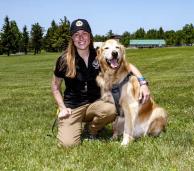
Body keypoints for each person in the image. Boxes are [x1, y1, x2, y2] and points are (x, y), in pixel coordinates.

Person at [51, 18, 150, 147]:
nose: (81, 38)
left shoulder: (98, 54)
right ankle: (72, 124)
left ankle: (91, 130)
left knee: (112, 109)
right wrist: (62, 107)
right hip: (73, 107)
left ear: (90, 36)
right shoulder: (64, 60)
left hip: (94, 104)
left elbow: (128, 66)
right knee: (67, 144)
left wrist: (143, 83)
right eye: (76, 35)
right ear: (72, 39)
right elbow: (55, 86)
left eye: (84, 34)